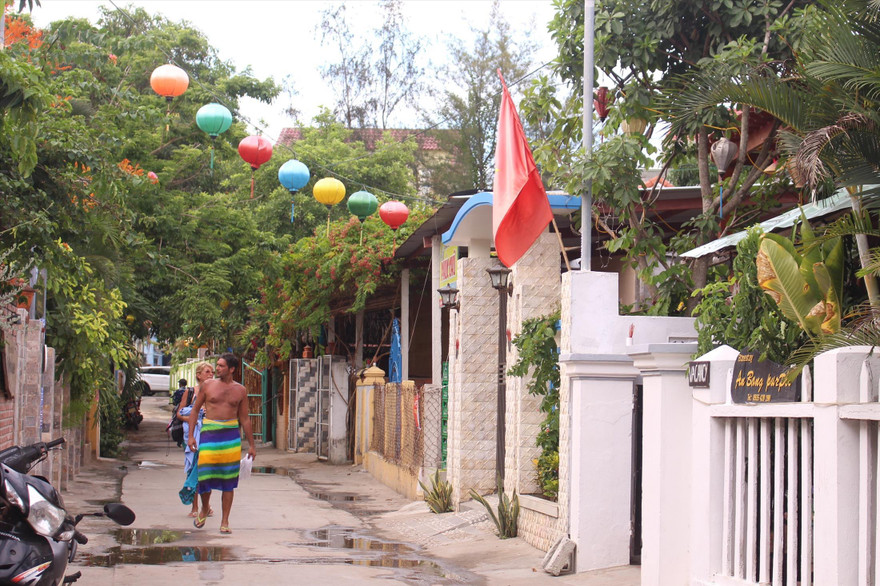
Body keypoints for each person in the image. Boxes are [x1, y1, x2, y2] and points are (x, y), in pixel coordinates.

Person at [186, 353, 256, 534]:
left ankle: (225, 521)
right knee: (205, 476)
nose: (217, 369)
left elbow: (245, 419)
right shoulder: (208, 385)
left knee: (228, 480)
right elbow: (194, 411)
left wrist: (252, 445)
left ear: (232, 369)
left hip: (231, 437)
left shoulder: (240, 390)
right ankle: (204, 508)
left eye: (221, 366)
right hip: (209, 434)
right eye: (217, 365)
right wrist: (191, 437)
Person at [177, 363, 213, 517]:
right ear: (198, 375)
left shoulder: (215, 392)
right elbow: (179, 413)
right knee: (193, 469)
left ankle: (206, 506)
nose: (210, 374)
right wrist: (193, 420)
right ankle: (194, 507)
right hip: (193, 435)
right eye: (207, 372)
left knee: (207, 471)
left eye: (212, 372)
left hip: (209, 433)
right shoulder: (190, 392)